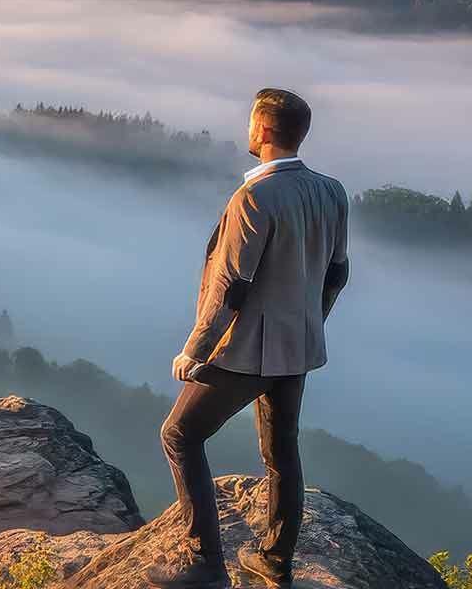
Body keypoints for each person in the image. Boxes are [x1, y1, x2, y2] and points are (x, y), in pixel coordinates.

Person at [146, 89, 350, 588]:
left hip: (246, 349)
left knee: (180, 435)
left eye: (250, 122)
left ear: (261, 130)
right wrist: (309, 321)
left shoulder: (254, 197)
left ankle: (204, 565)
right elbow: (338, 273)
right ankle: (274, 562)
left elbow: (231, 287)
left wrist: (194, 349)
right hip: (298, 345)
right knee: (282, 450)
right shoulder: (331, 190)